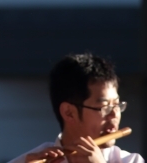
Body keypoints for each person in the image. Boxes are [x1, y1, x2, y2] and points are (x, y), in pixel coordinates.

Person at [8, 53, 143, 163]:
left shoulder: (132, 161)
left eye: (117, 105)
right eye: (104, 106)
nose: (114, 115)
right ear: (69, 113)